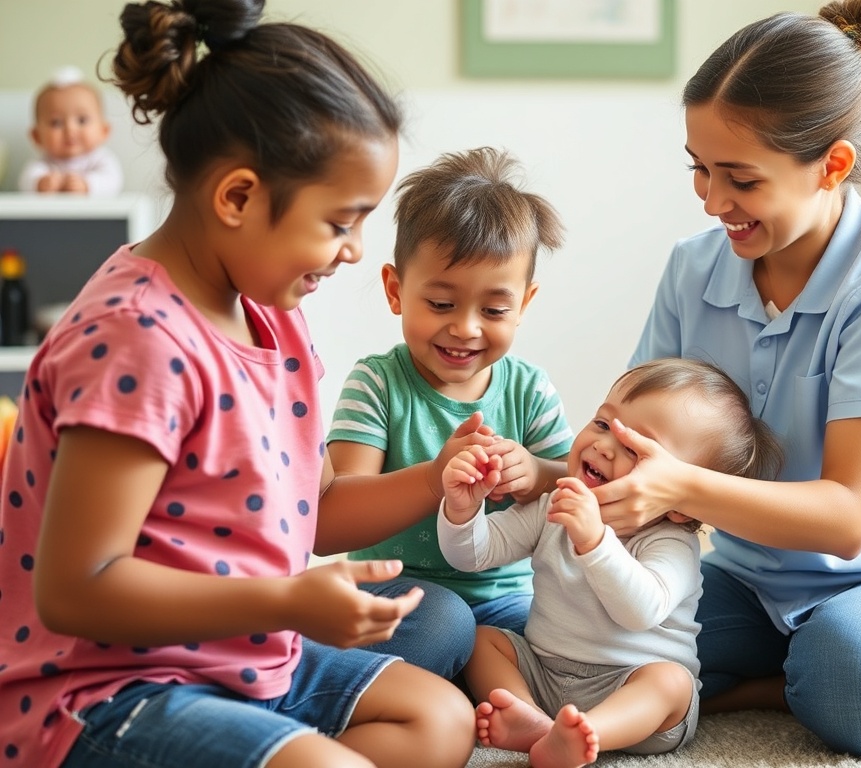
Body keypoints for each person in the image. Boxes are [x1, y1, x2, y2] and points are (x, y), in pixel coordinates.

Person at [0, 1, 477, 767]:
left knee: (440, 719)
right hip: (105, 690)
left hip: (240, 653)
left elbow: (316, 511)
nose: (355, 251)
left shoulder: (272, 315)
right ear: (238, 198)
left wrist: (435, 478)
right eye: (340, 223)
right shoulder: (137, 338)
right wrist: (286, 599)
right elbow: (77, 588)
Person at [588, 0, 861, 758]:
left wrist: (678, 486)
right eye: (699, 169)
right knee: (585, 645)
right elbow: (633, 438)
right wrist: (539, 475)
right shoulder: (693, 269)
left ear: (833, 165)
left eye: (741, 179)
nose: (712, 200)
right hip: (752, 576)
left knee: (853, 682)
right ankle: (782, 681)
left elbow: (848, 519)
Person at [438, 358, 784, 768]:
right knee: (483, 641)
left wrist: (595, 542)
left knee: (671, 683)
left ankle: (589, 734)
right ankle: (530, 717)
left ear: (683, 503)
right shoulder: (554, 505)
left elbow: (640, 612)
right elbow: (474, 556)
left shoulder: (672, 542)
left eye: (634, 449)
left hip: (629, 687)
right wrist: (463, 510)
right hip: (545, 672)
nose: (603, 445)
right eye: (603, 423)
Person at [326, 146, 574, 678]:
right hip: (403, 595)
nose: (465, 328)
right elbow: (333, 518)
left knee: (572, 636)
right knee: (445, 624)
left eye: (495, 309)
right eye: (441, 304)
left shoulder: (529, 389)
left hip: (507, 598)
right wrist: (434, 478)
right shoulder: (378, 384)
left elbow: (578, 483)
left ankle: (481, 689)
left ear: (524, 305)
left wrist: (534, 473)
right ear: (395, 290)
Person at [18, 65, 124, 196]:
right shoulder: (43, 163)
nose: (70, 129)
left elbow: (113, 181)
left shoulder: (101, 159)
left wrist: (87, 185)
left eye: (82, 120)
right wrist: (40, 183)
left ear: (104, 131)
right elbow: (25, 181)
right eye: (56, 123)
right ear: (37, 136)